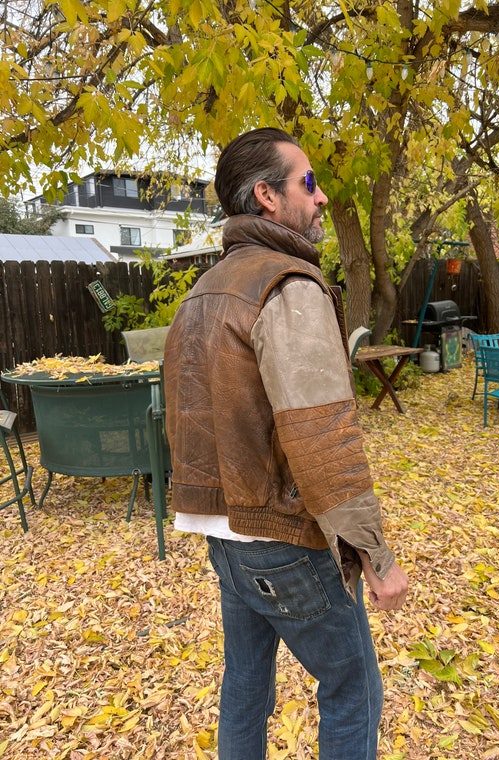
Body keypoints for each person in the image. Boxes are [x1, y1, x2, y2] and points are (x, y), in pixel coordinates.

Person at [163, 127, 408, 760]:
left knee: (245, 685)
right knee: (353, 689)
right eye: (309, 182)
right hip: (281, 539)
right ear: (267, 196)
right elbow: (320, 430)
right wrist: (374, 554)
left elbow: (185, 423)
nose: (322, 197)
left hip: (223, 535)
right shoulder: (289, 286)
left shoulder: (201, 293)